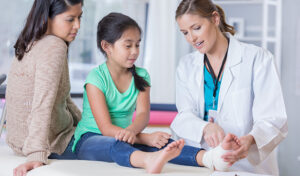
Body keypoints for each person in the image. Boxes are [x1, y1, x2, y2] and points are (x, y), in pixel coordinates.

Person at [72, 12, 241, 174]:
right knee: (116, 145)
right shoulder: (96, 78)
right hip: (91, 139)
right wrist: (143, 138)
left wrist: (134, 133)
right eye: (128, 45)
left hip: (127, 135)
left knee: (165, 143)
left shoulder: (142, 75)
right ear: (106, 46)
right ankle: (148, 160)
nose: (134, 51)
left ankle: (211, 158)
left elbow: (143, 115)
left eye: (137, 45)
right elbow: (106, 129)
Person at [170, 0, 288, 175]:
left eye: (196, 28)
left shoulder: (258, 59)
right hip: (205, 164)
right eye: (185, 33)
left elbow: (272, 118)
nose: (191, 38)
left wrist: (250, 139)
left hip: (247, 167)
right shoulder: (186, 66)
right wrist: (205, 127)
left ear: (215, 19)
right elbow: (184, 115)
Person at [5, 0, 83, 175]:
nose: (77, 25)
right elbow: (42, 102)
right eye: (70, 19)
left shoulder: (28, 43)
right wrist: (35, 154)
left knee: (104, 131)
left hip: (18, 141)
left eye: (80, 17)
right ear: (47, 17)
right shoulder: (55, 46)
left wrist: (86, 123)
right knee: (116, 142)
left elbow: (62, 99)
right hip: (48, 143)